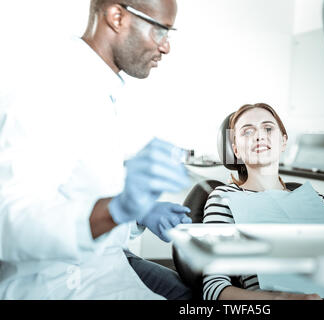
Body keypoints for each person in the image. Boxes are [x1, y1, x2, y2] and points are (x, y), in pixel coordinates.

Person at [0, 0, 193, 299]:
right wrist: (119, 208)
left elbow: (80, 196)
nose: (166, 47)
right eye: (160, 31)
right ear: (117, 17)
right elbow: (11, 224)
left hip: (110, 270)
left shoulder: (102, 90)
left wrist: (139, 213)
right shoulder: (48, 87)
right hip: (58, 287)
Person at [202, 103, 324, 300]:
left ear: (283, 141)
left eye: (268, 128)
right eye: (247, 131)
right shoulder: (224, 197)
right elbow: (213, 289)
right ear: (236, 150)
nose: (259, 135)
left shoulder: (314, 198)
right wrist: (282, 299)